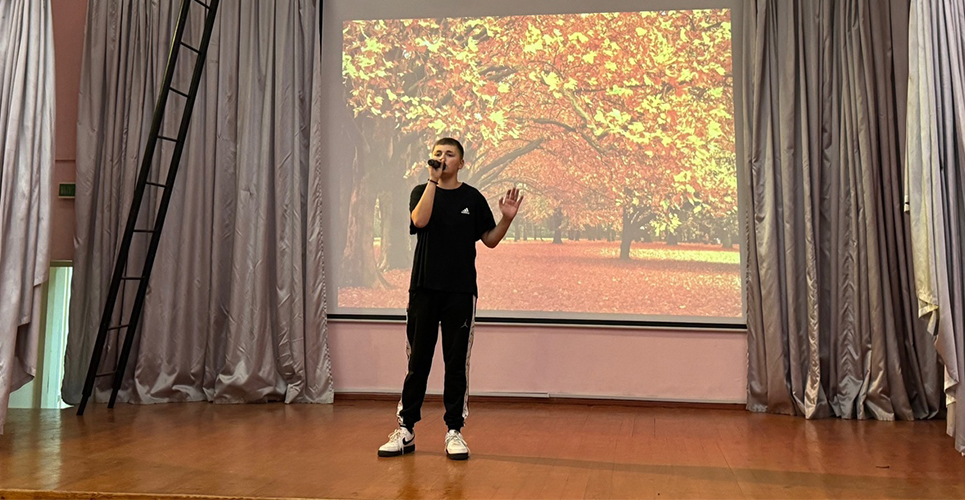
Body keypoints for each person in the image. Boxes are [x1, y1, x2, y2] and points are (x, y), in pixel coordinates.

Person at [378, 137, 523, 460]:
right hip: (423, 290)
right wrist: (433, 181)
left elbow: (489, 240)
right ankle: (406, 429)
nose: (443, 158)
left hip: (460, 292)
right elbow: (420, 221)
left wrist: (507, 219)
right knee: (418, 362)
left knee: (456, 364)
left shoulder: (472, 198)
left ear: (461, 163)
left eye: (450, 154)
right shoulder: (421, 191)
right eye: (437, 153)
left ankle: (454, 431)